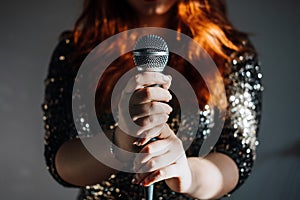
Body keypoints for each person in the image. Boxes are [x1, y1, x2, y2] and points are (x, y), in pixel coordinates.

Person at [42, 0, 263, 199]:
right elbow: (60, 160)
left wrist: (187, 174)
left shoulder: (230, 53)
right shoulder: (76, 51)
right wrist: (120, 142)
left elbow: (236, 155)